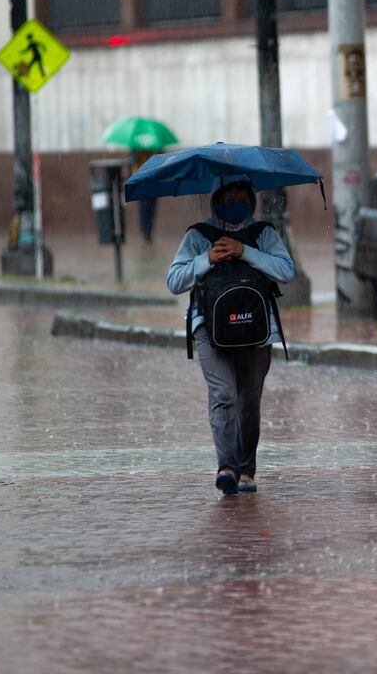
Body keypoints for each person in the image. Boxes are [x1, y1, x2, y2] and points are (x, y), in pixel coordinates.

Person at [166, 179, 293, 496]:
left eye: (242, 198)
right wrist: (207, 259)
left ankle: (246, 469)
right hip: (209, 330)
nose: (236, 204)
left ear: (251, 201)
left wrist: (244, 251)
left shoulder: (264, 234)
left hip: (257, 330)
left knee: (249, 401)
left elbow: (286, 271)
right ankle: (227, 467)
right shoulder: (197, 236)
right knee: (224, 394)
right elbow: (174, 280)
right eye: (229, 198)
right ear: (216, 200)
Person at [132, 150, 158, 243]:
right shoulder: (136, 148)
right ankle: (144, 230)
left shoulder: (155, 147)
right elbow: (133, 160)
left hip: (153, 181)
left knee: (151, 207)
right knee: (143, 207)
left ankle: (148, 230)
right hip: (141, 180)